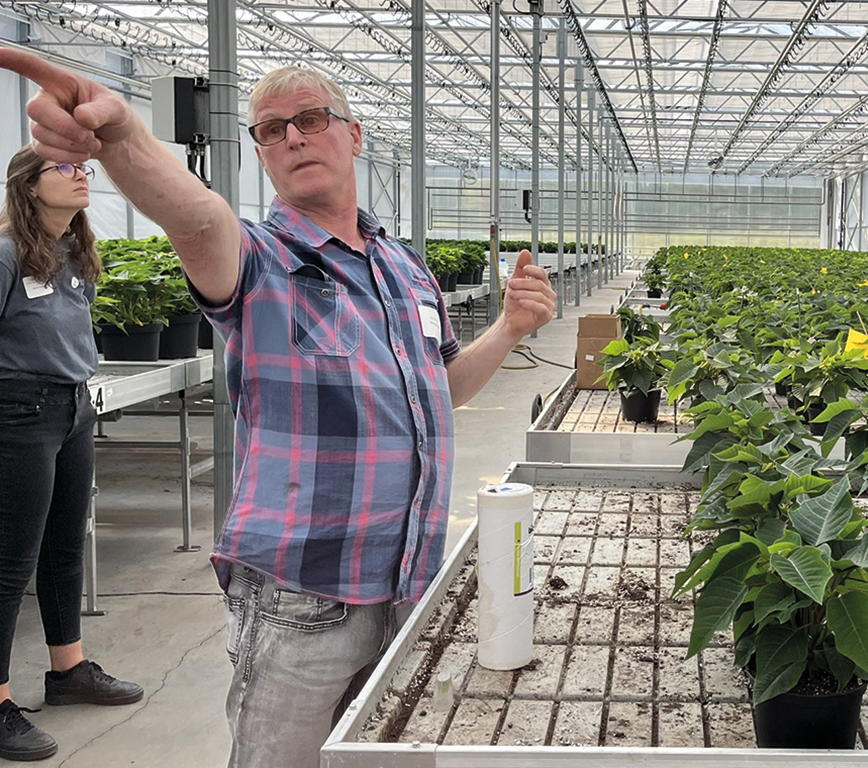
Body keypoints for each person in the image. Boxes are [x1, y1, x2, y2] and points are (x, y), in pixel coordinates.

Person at [0, 50, 557, 768]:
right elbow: (196, 218)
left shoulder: (404, 267)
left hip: (408, 583)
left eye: (312, 119)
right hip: (305, 600)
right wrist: (122, 140)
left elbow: (440, 392)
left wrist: (509, 329)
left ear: (353, 135)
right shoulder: (262, 260)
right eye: (270, 129)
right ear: (261, 153)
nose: (293, 137)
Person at [0, 145, 145, 763]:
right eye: (65, 168)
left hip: (72, 406)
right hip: (17, 410)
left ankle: (68, 672)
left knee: (65, 545)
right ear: (28, 186)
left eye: (84, 167)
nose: (82, 174)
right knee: (11, 560)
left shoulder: (72, 253)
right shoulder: (5, 253)